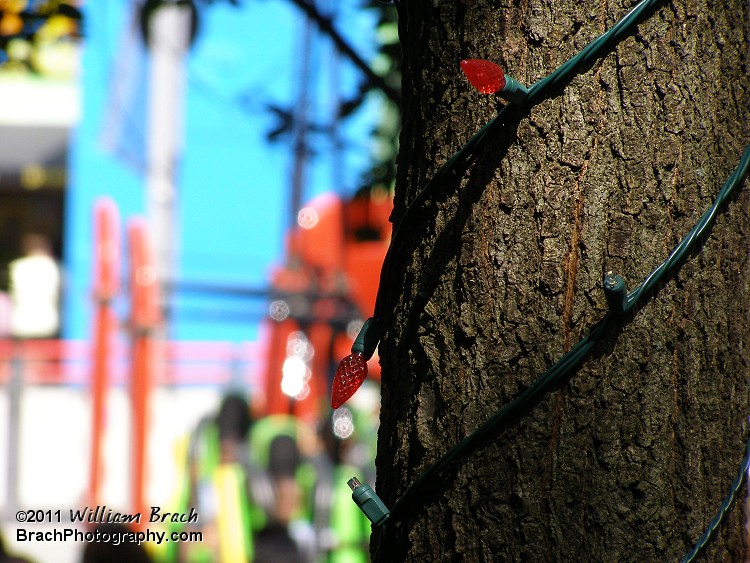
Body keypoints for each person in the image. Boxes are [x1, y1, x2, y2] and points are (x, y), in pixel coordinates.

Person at [8, 234, 61, 339]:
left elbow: (12, 295)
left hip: (21, 323)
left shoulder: (17, 267)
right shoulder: (53, 267)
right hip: (47, 323)